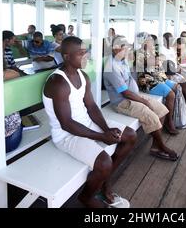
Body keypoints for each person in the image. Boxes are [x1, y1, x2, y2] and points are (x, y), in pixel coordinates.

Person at [43, 36, 136, 208]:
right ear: (66, 57)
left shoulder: (82, 75)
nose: (86, 57)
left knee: (129, 135)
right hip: (66, 136)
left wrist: (107, 129)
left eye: (86, 53)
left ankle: (105, 182)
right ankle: (86, 197)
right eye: (81, 54)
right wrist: (101, 136)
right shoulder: (58, 82)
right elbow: (67, 124)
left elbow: (92, 106)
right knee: (104, 162)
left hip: (86, 125)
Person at [103, 35, 179, 162]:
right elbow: (125, 93)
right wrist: (144, 101)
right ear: (116, 49)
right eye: (125, 48)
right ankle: (161, 146)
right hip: (123, 102)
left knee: (162, 109)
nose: (128, 50)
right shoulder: (111, 67)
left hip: (134, 96)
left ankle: (155, 145)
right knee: (152, 116)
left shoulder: (122, 60)